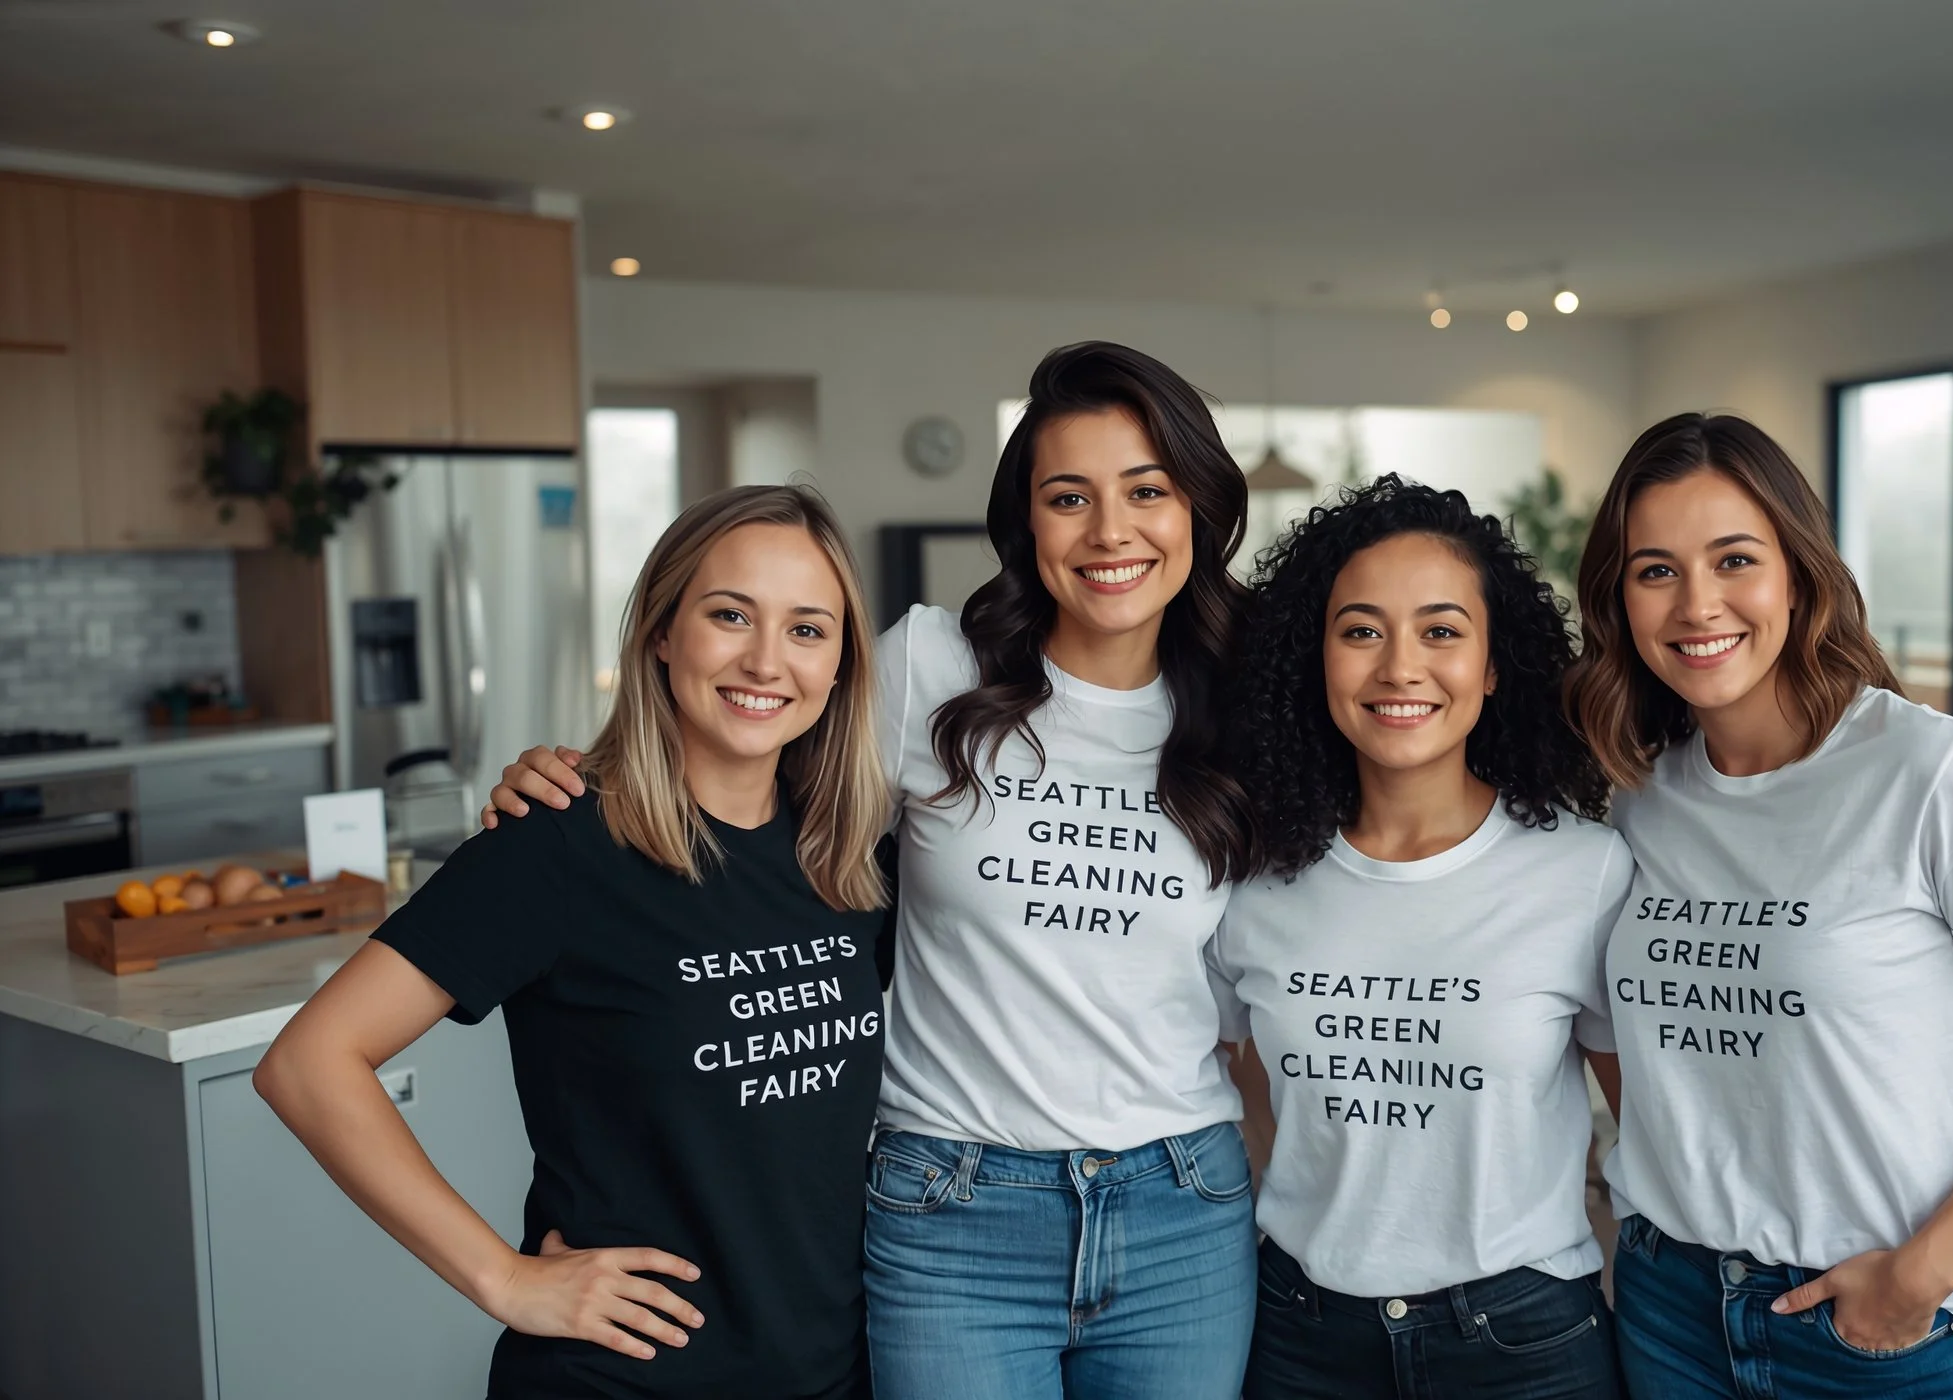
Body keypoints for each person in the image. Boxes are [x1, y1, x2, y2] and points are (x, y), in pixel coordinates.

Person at [483, 342, 1263, 1399]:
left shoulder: (1249, 712)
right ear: (1026, 522)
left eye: (1147, 490)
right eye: (1068, 497)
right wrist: (585, 776)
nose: (1109, 531)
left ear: (1198, 507)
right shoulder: (930, 668)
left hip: (1184, 1204)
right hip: (952, 1204)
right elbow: (742, 760)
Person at [255, 485, 891, 1397]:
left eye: (806, 629)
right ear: (662, 633)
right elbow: (309, 1063)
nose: (765, 660)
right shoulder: (558, 840)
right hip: (624, 1381)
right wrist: (503, 1278)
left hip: (834, 1374)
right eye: (729, 615)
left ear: (839, 665)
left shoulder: (851, 859)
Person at [1562, 413, 1953, 1400]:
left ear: (1797, 572)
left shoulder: (1934, 774)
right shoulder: (1635, 797)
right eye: (1656, 570)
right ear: (1620, 597)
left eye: (1734, 559)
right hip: (1671, 1310)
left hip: (1876, 1325)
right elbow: (1629, 1046)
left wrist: (1919, 1276)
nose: (1697, 603)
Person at [1212, 477, 1626, 1400]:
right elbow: (1229, 1086)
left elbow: (1653, 1116)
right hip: (1300, 1336)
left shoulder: (1585, 872)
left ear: (1493, 665)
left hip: (1525, 1342)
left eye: (1441, 631)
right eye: (1361, 631)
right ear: (1316, 659)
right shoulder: (1255, 880)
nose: (1400, 667)